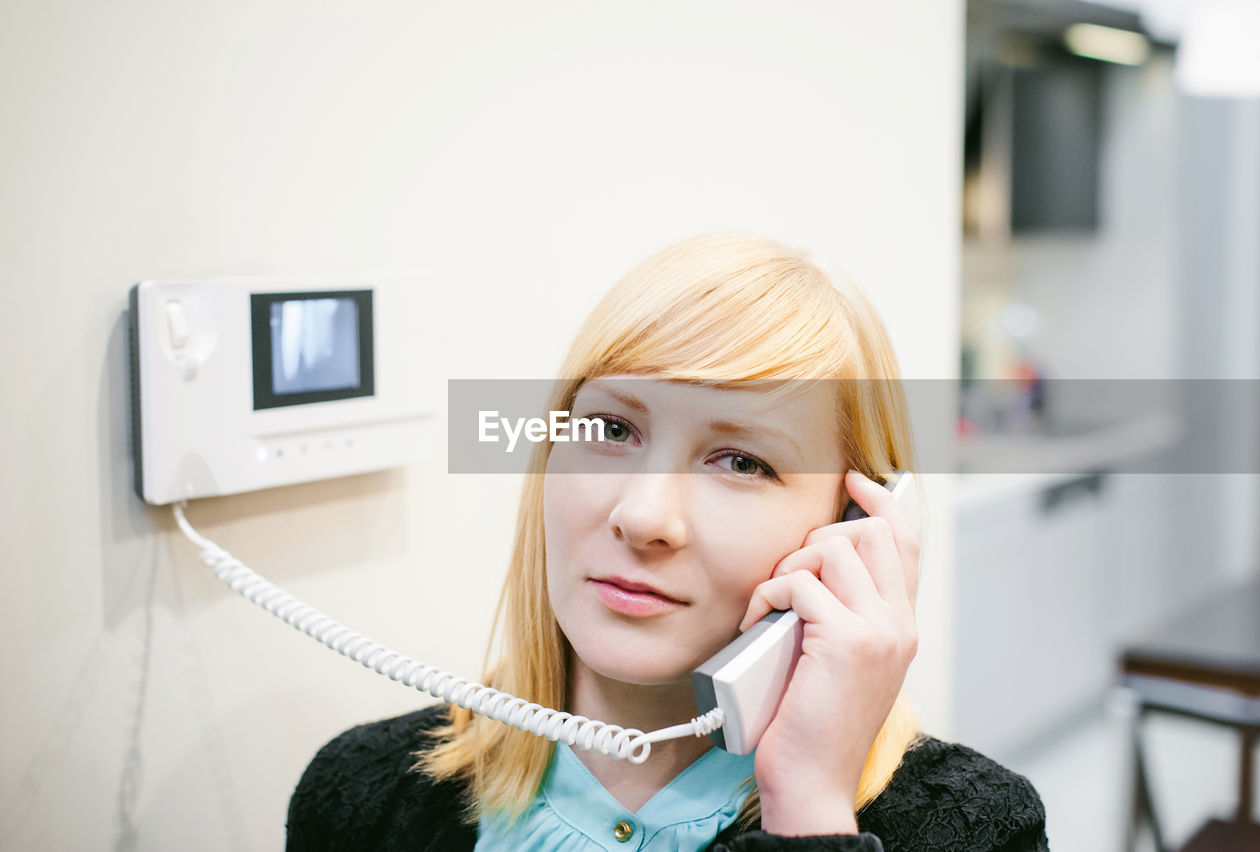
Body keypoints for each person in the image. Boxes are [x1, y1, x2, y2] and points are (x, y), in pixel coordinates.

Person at [285, 234, 1049, 851]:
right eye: (612, 429)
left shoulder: (979, 832)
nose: (644, 516)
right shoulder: (360, 792)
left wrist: (809, 808)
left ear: (857, 533)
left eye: (743, 462)